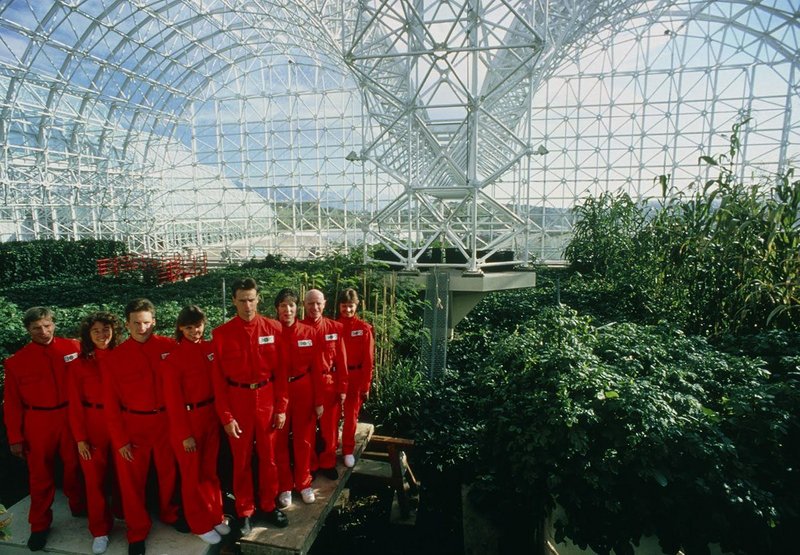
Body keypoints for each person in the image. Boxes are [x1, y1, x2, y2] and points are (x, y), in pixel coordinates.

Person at [3, 306, 86, 551]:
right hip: (38, 422)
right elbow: (12, 404)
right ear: (28, 330)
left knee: (75, 464)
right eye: (37, 328)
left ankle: (78, 504)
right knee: (40, 476)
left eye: (47, 325)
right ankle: (39, 525)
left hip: (70, 417)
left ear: (53, 324)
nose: (43, 331)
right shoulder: (16, 362)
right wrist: (15, 437)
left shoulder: (74, 348)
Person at [102, 298, 181, 555]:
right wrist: (119, 440)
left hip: (166, 423)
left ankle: (170, 514)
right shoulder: (115, 358)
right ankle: (136, 530)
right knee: (131, 482)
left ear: (154, 322)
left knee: (168, 473)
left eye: (147, 322)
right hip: (133, 426)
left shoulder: (170, 347)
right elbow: (110, 404)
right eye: (136, 323)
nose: (142, 327)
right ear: (126, 324)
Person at [212, 278, 289, 535]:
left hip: (266, 398)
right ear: (234, 300)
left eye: (251, 299)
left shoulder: (273, 328)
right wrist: (226, 417)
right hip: (238, 401)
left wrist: (281, 408)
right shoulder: (221, 334)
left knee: (269, 457)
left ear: (258, 299)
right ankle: (245, 510)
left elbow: (281, 373)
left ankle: (268, 505)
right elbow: (218, 382)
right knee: (241, 460)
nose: (247, 305)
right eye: (242, 300)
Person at [161, 305, 230, 545]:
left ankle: (215, 515)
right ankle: (198, 523)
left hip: (210, 417)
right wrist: (184, 434)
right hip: (188, 421)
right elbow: (173, 402)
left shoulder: (210, 348)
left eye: (198, 326)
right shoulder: (173, 359)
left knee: (210, 472)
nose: (194, 331)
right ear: (180, 328)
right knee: (192, 477)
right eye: (188, 327)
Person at [67, 312, 123, 554]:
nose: (102, 334)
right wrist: (80, 438)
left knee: (126, 476)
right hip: (93, 423)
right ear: (88, 336)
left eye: (106, 329)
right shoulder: (79, 365)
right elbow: (74, 405)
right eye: (96, 331)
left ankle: (127, 517)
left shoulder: (124, 357)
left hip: (123, 422)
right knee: (94, 480)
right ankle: (99, 530)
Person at [273, 288, 324, 508]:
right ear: (277, 309)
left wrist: (319, 400)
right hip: (277, 391)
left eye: (291, 305)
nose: (288, 309)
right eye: (283, 305)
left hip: (304, 388)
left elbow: (317, 369)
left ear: (297, 307)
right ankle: (285, 486)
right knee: (280, 441)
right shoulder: (271, 332)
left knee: (304, 439)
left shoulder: (309, 332)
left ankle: (304, 483)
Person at [301, 289, 348, 480]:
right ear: (304, 305)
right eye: (310, 303)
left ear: (325, 303)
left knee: (329, 428)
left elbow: (342, 361)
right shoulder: (299, 328)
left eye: (318, 303)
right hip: (306, 386)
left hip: (329, 384)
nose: (315, 307)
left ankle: (328, 462)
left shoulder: (335, 328)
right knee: (307, 428)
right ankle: (310, 463)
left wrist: (343, 388)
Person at [336, 288, 375, 469]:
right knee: (333, 414)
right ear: (339, 306)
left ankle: (348, 450)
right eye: (344, 306)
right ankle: (331, 447)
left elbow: (369, 360)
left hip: (356, 376)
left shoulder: (364, 329)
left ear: (356, 305)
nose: (348, 310)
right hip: (336, 375)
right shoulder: (333, 327)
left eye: (350, 306)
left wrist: (366, 385)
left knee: (351, 415)